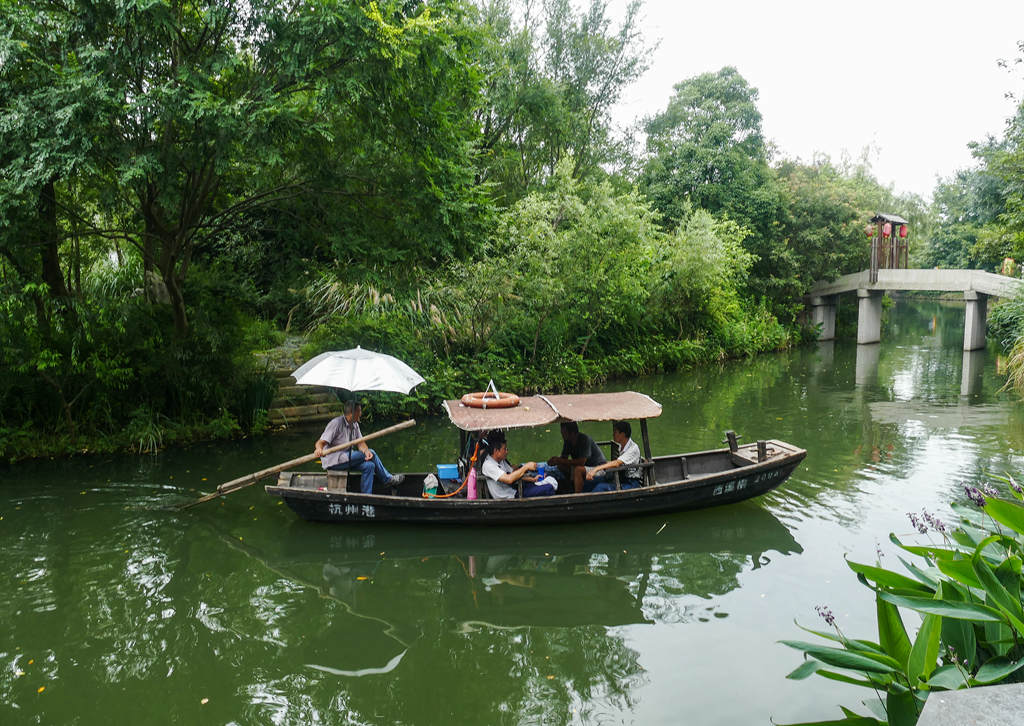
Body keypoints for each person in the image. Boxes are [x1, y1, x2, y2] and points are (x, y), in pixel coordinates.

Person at [314, 401, 405, 494]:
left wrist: (366, 451)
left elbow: (361, 443)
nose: (361, 414)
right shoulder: (336, 423)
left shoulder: (355, 424)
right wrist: (319, 449)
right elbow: (320, 442)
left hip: (347, 458)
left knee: (370, 466)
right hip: (334, 461)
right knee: (372, 452)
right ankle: (387, 479)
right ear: (352, 413)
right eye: (359, 411)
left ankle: (366, 496)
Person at [481, 431, 557, 499]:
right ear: (496, 451)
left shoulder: (500, 460)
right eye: (505, 449)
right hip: (509, 496)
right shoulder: (488, 465)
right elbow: (509, 479)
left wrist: (532, 479)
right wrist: (526, 467)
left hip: (514, 489)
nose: (507, 452)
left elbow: (512, 473)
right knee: (548, 488)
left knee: (549, 480)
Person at [547, 421, 607, 494]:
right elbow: (564, 458)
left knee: (578, 470)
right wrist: (555, 461)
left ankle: (577, 496)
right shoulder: (567, 442)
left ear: (572, 433)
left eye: (564, 433)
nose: (562, 435)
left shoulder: (585, 440)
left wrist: (560, 460)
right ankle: (571, 485)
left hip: (598, 468)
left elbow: (581, 462)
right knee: (561, 466)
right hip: (584, 468)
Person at [585, 420, 644, 492]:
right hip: (620, 478)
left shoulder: (633, 449)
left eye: (615, 432)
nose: (613, 434)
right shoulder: (621, 446)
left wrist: (596, 469)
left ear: (622, 434)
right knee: (590, 482)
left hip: (630, 483)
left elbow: (617, 463)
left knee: (600, 487)